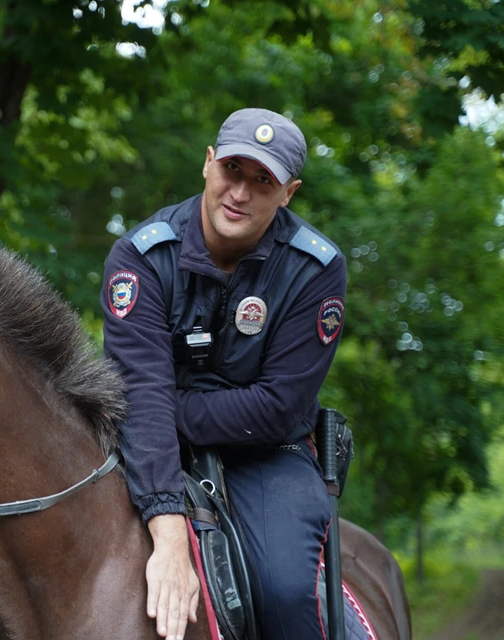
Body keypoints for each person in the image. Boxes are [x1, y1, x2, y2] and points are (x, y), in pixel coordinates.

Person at [101, 107, 347, 640]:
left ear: (289, 193)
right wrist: (169, 537)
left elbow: (277, 406)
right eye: (233, 169)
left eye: (263, 180)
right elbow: (140, 390)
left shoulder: (316, 270)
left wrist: (168, 410)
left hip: (268, 454)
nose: (240, 192)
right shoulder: (141, 257)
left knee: (283, 591)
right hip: (145, 447)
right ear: (208, 164)